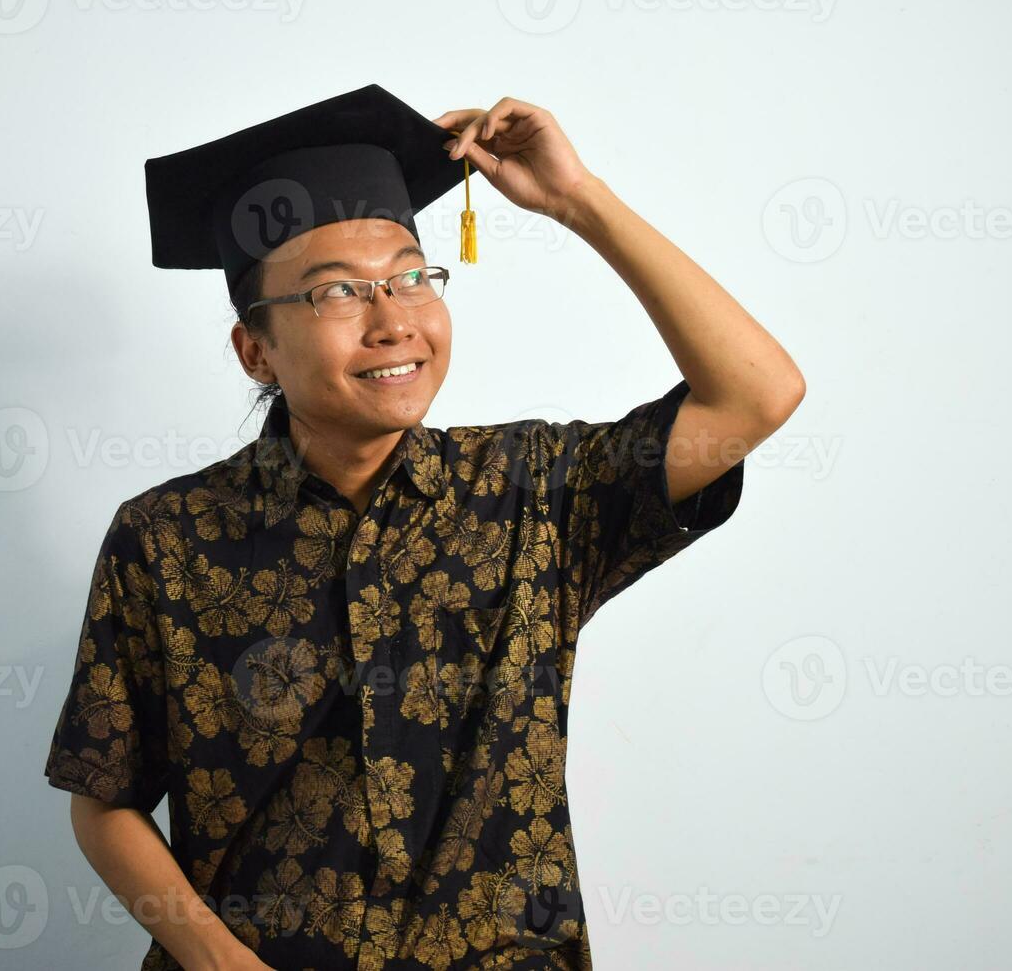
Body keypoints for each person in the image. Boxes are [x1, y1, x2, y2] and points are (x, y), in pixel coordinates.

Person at [44, 83, 804, 971]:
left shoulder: (535, 493)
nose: (395, 320)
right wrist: (218, 962)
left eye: (412, 276)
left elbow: (756, 393)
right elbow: (105, 797)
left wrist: (577, 200)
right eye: (338, 294)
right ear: (257, 349)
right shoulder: (167, 539)